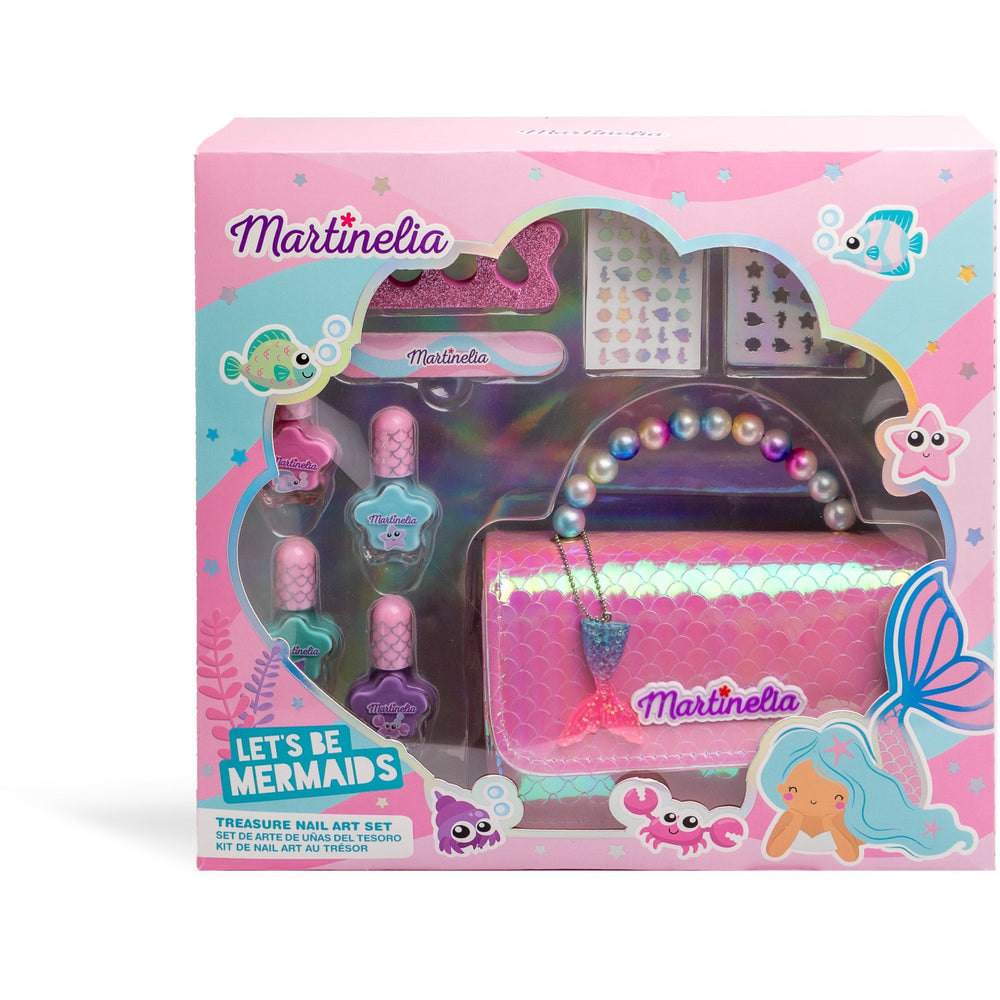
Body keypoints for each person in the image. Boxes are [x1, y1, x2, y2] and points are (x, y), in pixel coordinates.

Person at [758, 719, 973, 863]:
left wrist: (833, 824)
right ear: (781, 787)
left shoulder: (843, 820)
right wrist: (795, 820)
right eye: (795, 790)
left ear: (851, 793)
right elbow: (773, 851)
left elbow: (850, 857)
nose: (813, 801)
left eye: (836, 796)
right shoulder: (790, 817)